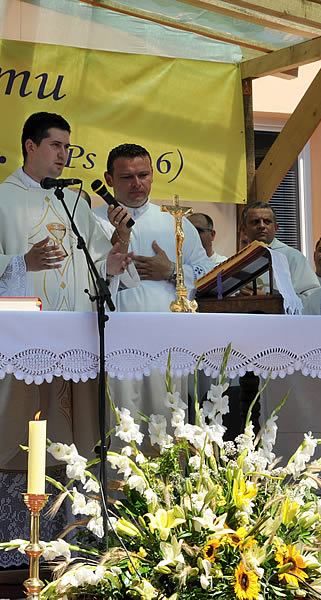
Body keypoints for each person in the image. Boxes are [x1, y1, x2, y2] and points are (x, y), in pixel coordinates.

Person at [0, 112, 131, 472]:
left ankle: (79, 502)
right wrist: (23, 263)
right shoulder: (2, 200)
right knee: (29, 439)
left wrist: (116, 253)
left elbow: (98, 263)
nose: (63, 154)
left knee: (79, 438)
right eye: (55, 145)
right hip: (26, 342)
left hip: (75, 338)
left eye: (67, 147)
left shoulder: (73, 201)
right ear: (30, 146)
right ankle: (27, 504)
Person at [93, 143, 212, 431]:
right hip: (117, 335)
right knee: (123, 422)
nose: (137, 183)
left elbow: (208, 275)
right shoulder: (92, 221)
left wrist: (172, 271)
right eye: (126, 177)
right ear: (109, 179)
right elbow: (82, 275)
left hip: (168, 335)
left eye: (143, 175)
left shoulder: (175, 222)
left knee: (169, 417)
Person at [241, 202, 320, 300]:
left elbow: (313, 298)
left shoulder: (294, 258)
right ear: (244, 229)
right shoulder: (239, 260)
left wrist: (268, 298)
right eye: (255, 222)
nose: (261, 226)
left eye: (267, 222)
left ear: (276, 228)